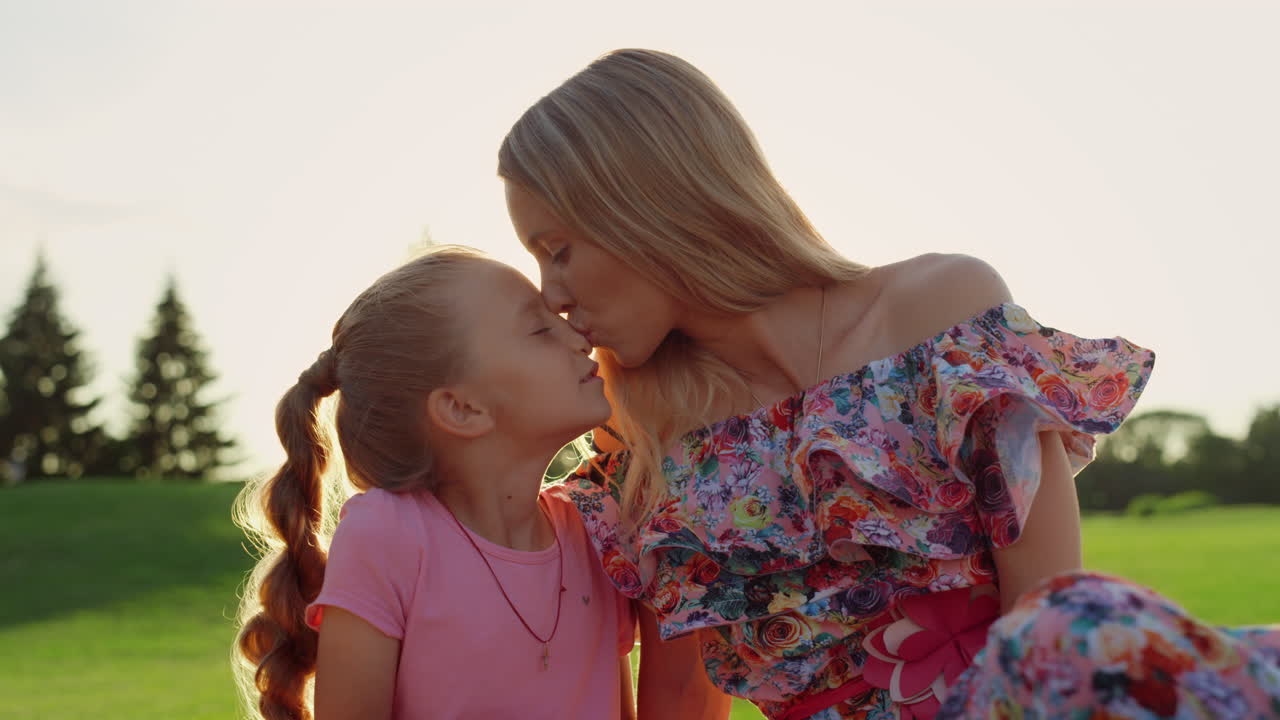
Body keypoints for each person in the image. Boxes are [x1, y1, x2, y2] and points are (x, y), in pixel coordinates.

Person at [498, 48, 1280, 719]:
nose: (552, 292)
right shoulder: (643, 436)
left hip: (1028, 696)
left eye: (557, 248)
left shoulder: (941, 315)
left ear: (644, 204)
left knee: (1072, 629)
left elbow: (1051, 608)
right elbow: (679, 703)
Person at [232, 247, 637, 720]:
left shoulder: (596, 530)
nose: (579, 338)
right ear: (462, 409)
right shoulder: (389, 535)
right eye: (541, 329)